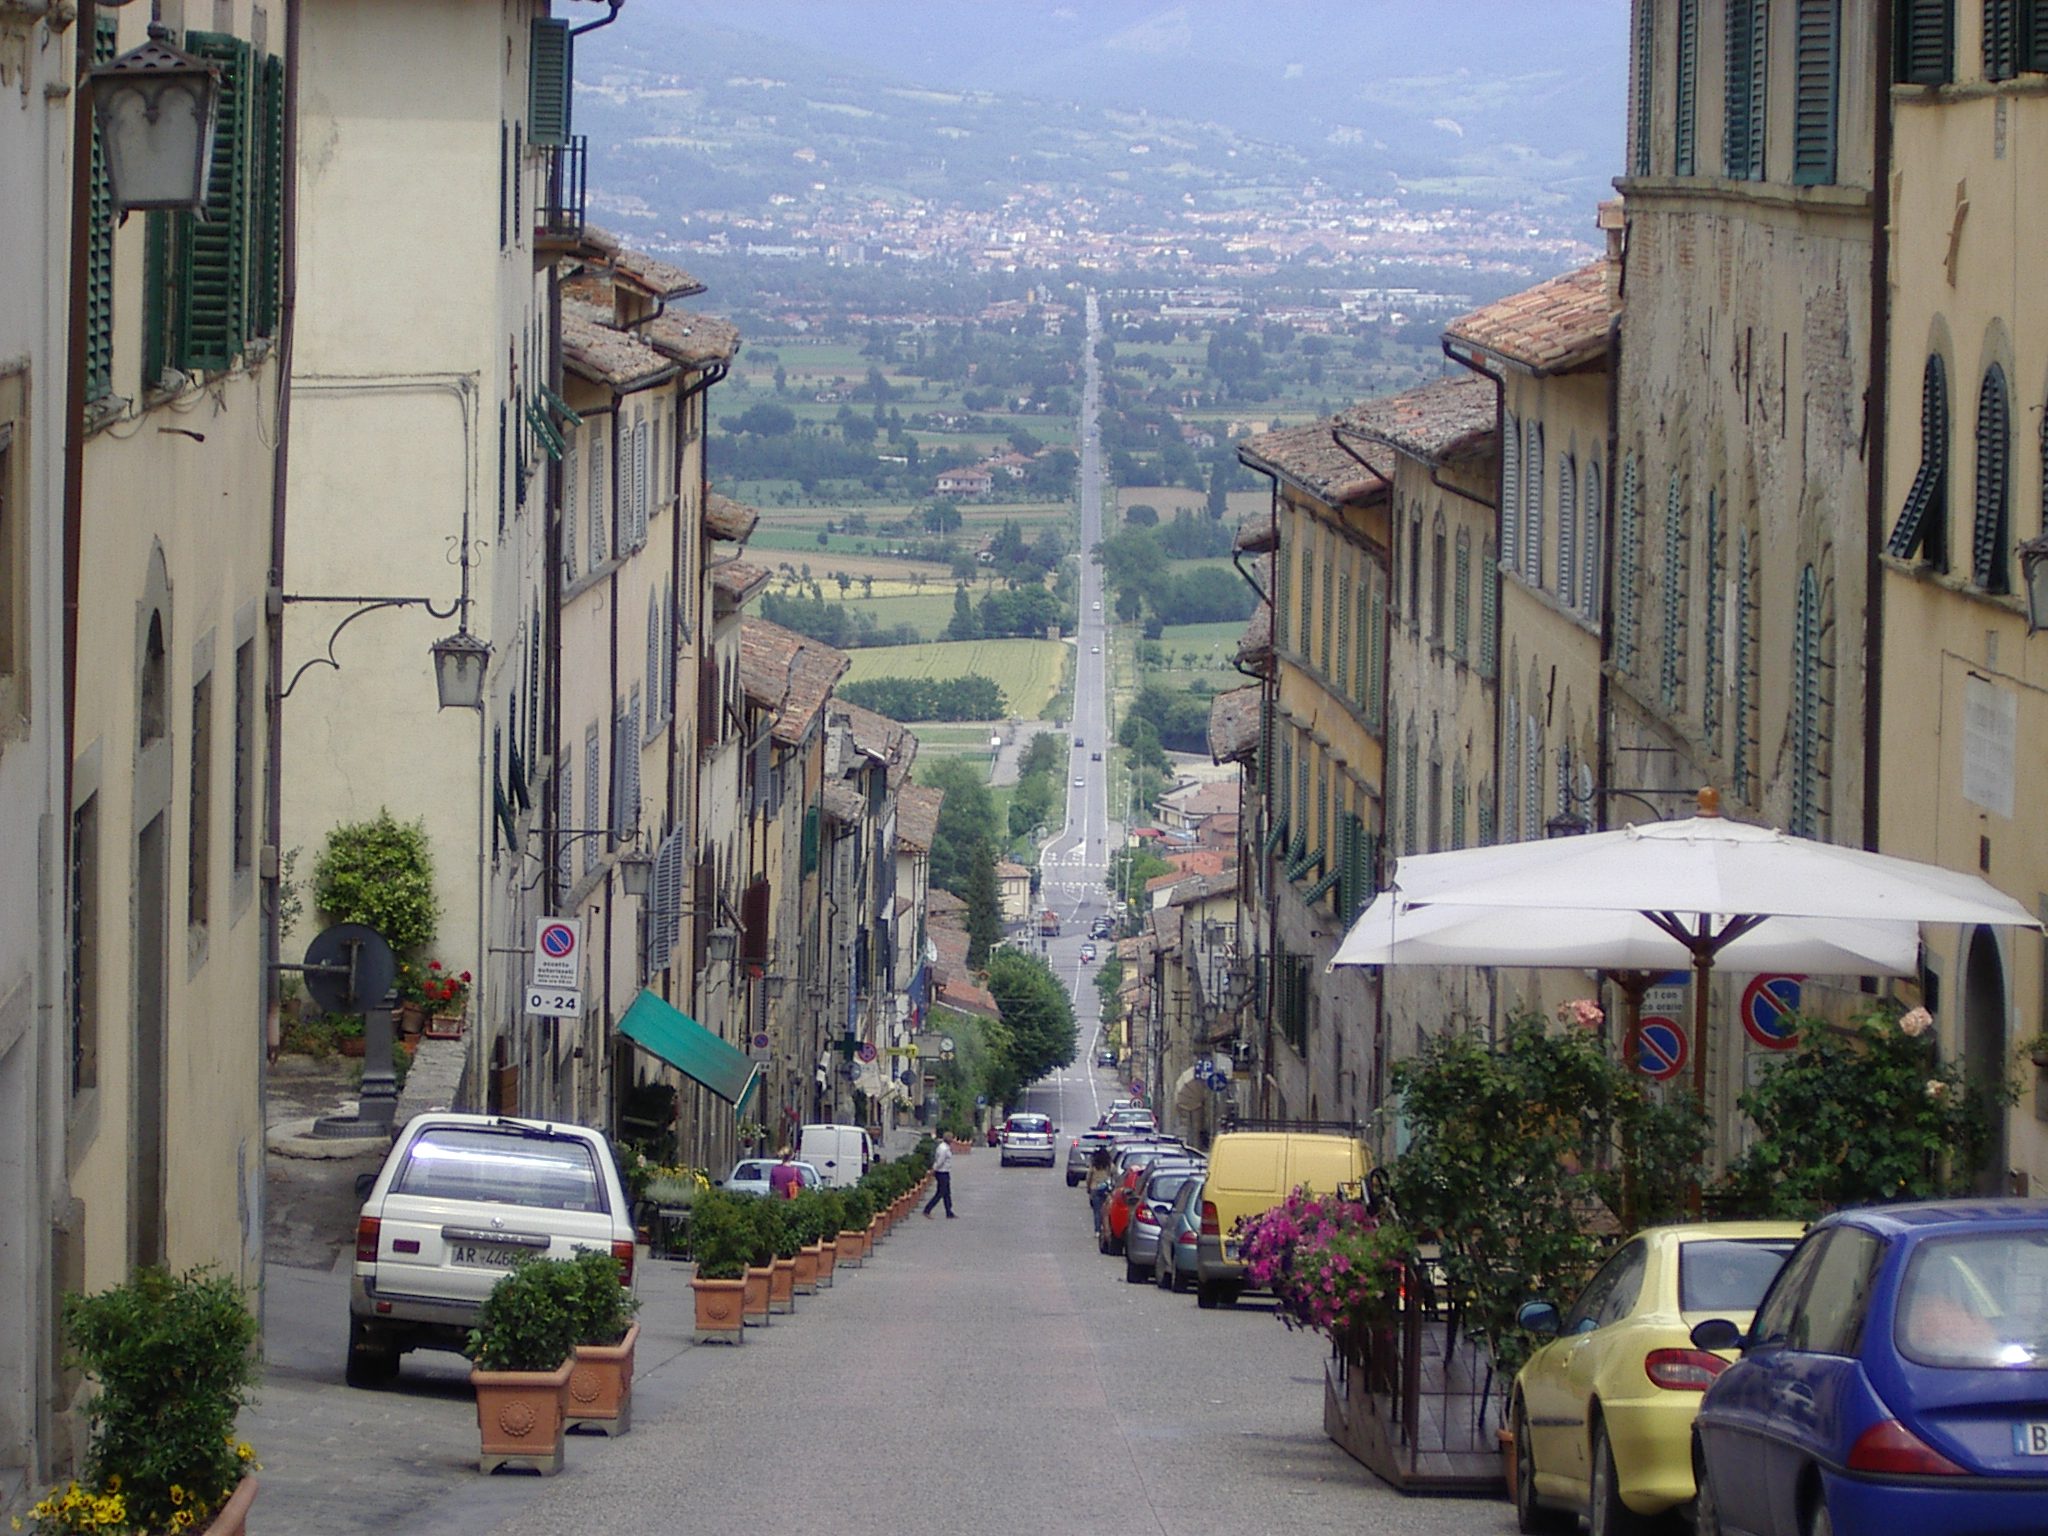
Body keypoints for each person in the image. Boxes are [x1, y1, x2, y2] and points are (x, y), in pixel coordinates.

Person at [923, 1132, 956, 1218]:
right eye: (951, 1138)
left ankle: (949, 1212)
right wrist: (934, 1170)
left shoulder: (945, 1147)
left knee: (947, 1193)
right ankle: (927, 1209)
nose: (952, 1140)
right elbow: (940, 1161)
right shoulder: (943, 1149)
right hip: (942, 1172)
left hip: (945, 1171)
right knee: (940, 1193)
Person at [1086, 1146, 1114, 1232]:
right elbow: (1114, 1174)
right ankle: (1105, 1228)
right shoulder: (1109, 1165)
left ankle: (1097, 1230)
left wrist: (1088, 1188)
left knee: (1097, 1211)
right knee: (1105, 1211)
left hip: (1095, 1188)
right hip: (1106, 1189)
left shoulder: (1094, 1166)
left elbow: (1089, 1177)